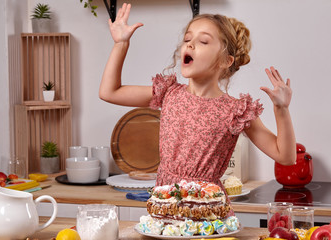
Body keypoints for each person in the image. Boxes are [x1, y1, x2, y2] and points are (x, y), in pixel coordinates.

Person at [100, 3, 296, 202]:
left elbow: (286, 157)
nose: (190, 44)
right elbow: (109, 92)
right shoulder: (169, 93)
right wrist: (120, 44)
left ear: (225, 61)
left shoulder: (235, 111)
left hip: (208, 214)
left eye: (203, 41)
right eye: (187, 39)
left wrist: (282, 109)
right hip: (165, 206)